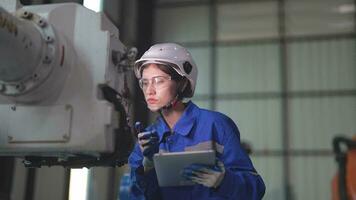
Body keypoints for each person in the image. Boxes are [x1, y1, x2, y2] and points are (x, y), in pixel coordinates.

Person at [128, 43, 265, 200]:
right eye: (145, 82)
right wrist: (148, 167)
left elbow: (256, 189)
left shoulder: (216, 126)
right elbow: (137, 196)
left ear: (183, 83)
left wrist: (224, 181)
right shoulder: (145, 142)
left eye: (159, 81)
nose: (149, 90)